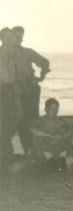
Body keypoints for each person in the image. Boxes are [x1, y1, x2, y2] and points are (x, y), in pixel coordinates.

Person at [11, 26, 50, 155]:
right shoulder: (4, 52)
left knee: (32, 119)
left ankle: (31, 149)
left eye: (21, 36)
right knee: (16, 119)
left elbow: (45, 62)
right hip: (11, 90)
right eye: (16, 36)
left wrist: (40, 77)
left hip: (29, 88)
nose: (19, 39)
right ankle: (23, 149)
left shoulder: (27, 52)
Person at [30, 98, 73, 170]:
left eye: (56, 109)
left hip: (58, 147)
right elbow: (32, 129)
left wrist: (61, 136)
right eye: (51, 108)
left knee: (66, 133)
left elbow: (71, 131)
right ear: (46, 109)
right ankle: (49, 158)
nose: (54, 111)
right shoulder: (40, 120)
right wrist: (48, 135)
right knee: (36, 136)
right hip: (45, 147)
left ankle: (62, 158)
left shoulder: (61, 120)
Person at [0, 28, 21, 176]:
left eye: (11, 37)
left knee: (11, 121)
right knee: (4, 122)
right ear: (1, 38)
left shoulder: (11, 53)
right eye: (6, 37)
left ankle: (6, 153)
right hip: (2, 89)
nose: (9, 39)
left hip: (10, 89)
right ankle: (5, 155)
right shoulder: (2, 53)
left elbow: (13, 74)